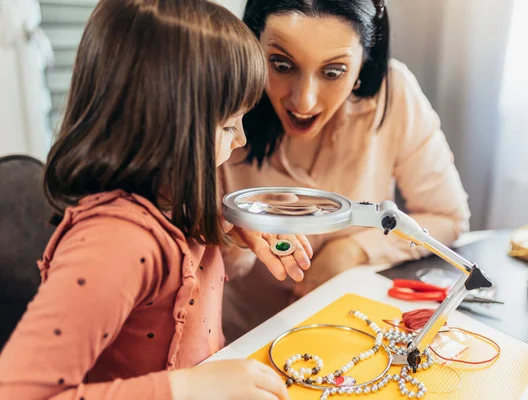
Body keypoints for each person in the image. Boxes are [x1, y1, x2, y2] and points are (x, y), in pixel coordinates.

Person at [0, 1, 313, 399]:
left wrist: (233, 225)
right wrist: (185, 388)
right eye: (228, 124)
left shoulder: (174, 195)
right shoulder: (114, 245)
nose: (241, 140)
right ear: (168, 127)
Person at [220, 0, 471, 342]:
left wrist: (354, 250)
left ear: (364, 60)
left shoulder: (393, 94)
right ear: (253, 43)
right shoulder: (220, 106)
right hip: (239, 343)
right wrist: (238, 240)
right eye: (281, 64)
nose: (304, 101)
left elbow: (448, 217)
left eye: (333, 71)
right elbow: (194, 263)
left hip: (351, 335)